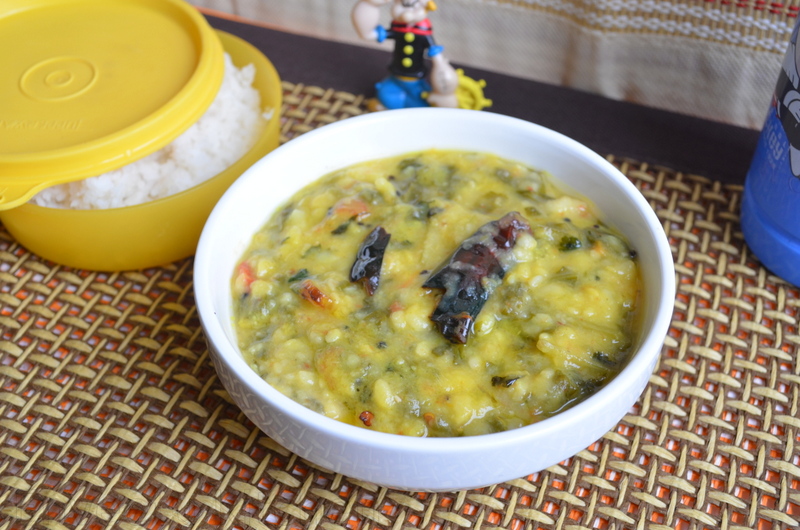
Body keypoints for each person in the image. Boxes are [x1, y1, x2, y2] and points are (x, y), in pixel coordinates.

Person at [352, 0, 459, 110]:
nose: (407, 13)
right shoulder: (397, 28)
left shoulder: (424, 33)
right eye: (402, 4)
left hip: (415, 80)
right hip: (396, 76)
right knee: (385, 94)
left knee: (418, 104)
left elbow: (438, 60)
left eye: (411, 6)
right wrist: (368, 5)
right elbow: (369, 35)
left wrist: (444, 88)